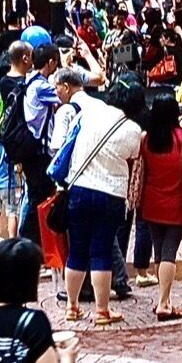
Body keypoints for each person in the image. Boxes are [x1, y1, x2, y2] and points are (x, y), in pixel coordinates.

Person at [52, 68, 139, 324]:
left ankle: (72, 307)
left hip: (78, 190)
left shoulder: (92, 112)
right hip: (110, 195)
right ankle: (102, 310)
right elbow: (132, 157)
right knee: (101, 251)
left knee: (76, 250)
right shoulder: (133, 129)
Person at [132, 92, 182, 318]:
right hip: (176, 203)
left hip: (151, 203)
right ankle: (163, 304)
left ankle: (164, 298)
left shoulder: (145, 139)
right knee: (169, 253)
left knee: (159, 253)